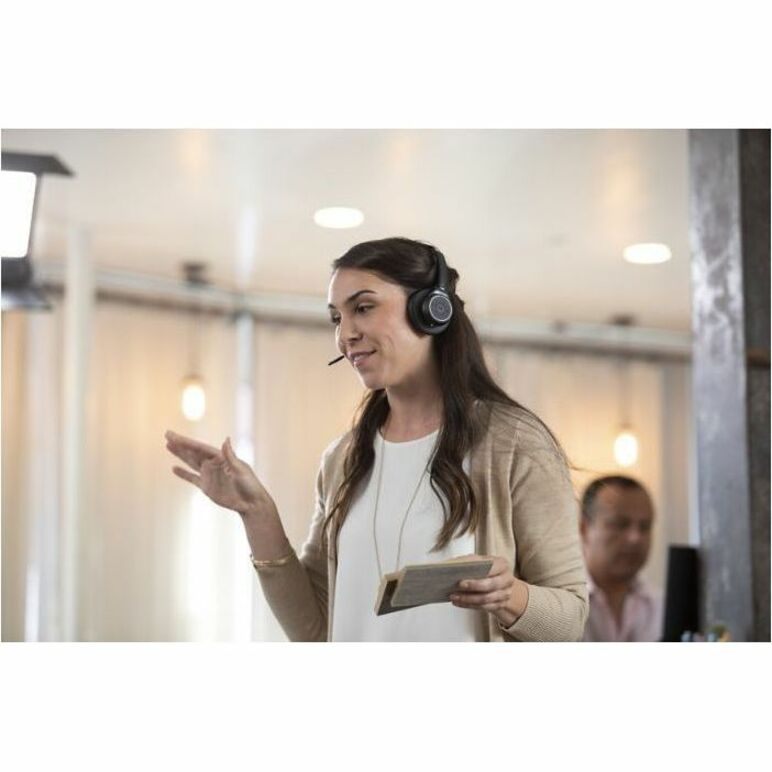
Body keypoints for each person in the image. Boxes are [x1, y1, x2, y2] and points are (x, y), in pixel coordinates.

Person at [165, 237, 588, 641]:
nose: (345, 333)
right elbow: (314, 630)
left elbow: (570, 620)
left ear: (431, 310)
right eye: (336, 317)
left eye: (363, 308)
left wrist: (510, 596)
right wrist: (257, 513)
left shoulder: (513, 443)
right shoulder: (343, 459)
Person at [579, 475, 663, 642]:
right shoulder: (559, 606)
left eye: (645, 526)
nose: (635, 538)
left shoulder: (662, 608)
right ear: (584, 529)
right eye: (620, 524)